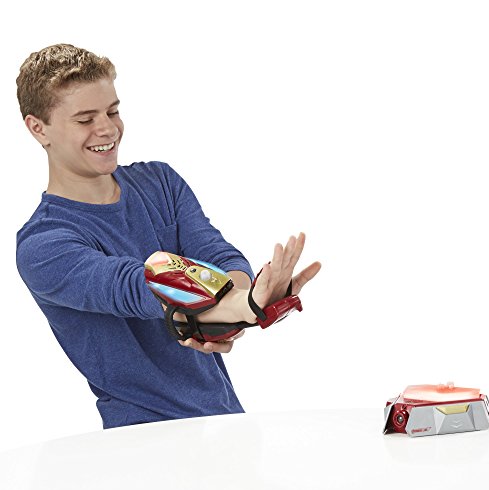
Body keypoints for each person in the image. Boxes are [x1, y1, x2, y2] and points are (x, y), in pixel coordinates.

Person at [15, 43, 321, 429]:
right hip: (144, 438)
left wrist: (245, 300)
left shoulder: (159, 183)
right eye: (85, 119)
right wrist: (242, 307)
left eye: (112, 111)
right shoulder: (43, 245)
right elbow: (138, 286)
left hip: (225, 421)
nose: (107, 128)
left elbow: (216, 255)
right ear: (38, 128)